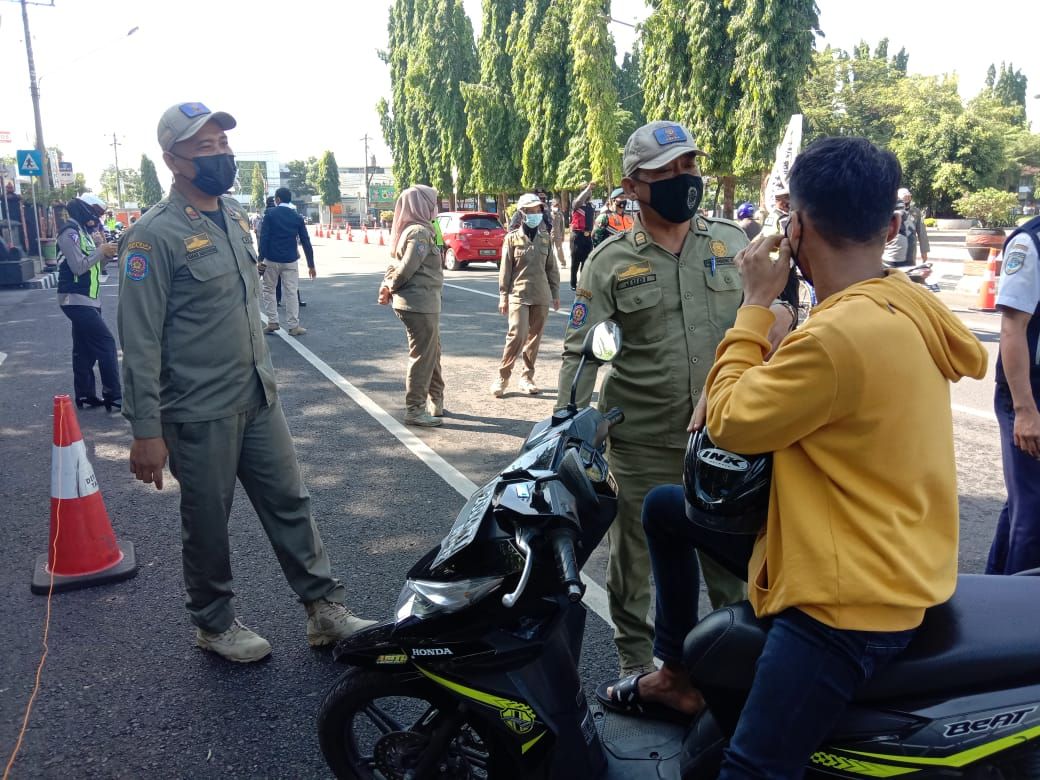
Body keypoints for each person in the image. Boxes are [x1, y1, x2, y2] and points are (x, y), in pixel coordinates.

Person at [603, 136, 986, 775]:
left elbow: (726, 424)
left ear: (796, 226)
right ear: (891, 226)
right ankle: (674, 672)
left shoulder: (838, 335)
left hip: (847, 597)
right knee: (668, 510)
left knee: (751, 770)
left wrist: (753, 310)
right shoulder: (905, 303)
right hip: (891, 547)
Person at [117, 102, 374, 663]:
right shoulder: (151, 237)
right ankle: (213, 622)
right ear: (174, 160)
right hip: (196, 409)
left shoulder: (233, 217)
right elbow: (139, 341)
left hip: (258, 396)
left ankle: (323, 609)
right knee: (207, 521)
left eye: (224, 146)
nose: (220, 156)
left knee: (290, 502)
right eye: (205, 148)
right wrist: (145, 430)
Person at [558, 120, 794, 678]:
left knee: (729, 561)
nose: (683, 178)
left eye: (688, 165)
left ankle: (731, 669)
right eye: (666, 171)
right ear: (634, 184)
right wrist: (566, 427)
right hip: (640, 439)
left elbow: (774, 318)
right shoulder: (609, 259)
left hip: (725, 436)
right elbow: (582, 351)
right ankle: (638, 665)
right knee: (633, 560)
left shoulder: (732, 244)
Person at [986, 215, 1040, 575]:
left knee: (1025, 502)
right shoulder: (1030, 243)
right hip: (1029, 392)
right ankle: (1023, 615)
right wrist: (1024, 410)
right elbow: (1012, 329)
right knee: (1034, 512)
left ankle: (995, 592)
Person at [377, 184, 445, 427]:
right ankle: (415, 409)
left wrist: (387, 286)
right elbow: (406, 267)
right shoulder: (419, 232)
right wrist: (390, 287)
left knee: (432, 351)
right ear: (422, 205)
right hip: (419, 304)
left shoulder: (414, 229)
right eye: (432, 202)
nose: (435, 207)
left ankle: (436, 399)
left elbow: (395, 263)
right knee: (423, 356)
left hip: (422, 302)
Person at [56, 193, 122, 411]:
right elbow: (78, 267)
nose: (97, 217)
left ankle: (85, 395)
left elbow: (97, 267)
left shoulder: (84, 233)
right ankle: (113, 395)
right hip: (74, 299)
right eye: (95, 212)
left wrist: (105, 252)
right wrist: (98, 251)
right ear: (85, 209)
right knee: (106, 343)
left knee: (84, 348)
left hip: (90, 299)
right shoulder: (70, 233)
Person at [492, 193, 560, 398]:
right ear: (522, 214)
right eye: (530, 211)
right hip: (518, 294)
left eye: (538, 211)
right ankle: (503, 376)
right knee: (518, 335)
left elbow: (552, 268)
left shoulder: (545, 238)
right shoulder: (511, 239)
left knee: (534, 338)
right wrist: (503, 295)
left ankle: (527, 377)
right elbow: (505, 269)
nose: (535, 214)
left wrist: (555, 293)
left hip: (541, 295)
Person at [260, 186, 313, 335]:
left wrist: (260, 259)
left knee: (268, 289)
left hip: (271, 259)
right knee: (291, 292)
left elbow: (264, 238)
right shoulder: (297, 216)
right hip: (290, 260)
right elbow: (305, 241)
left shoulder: (270, 214)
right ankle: (293, 326)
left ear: (277, 199)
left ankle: (272, 322)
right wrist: (311, 264)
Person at [569, 180, 596, 291]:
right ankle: (573, 283)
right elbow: (580, 200)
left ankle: (583, 283)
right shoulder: (576, 203)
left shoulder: (590, 205)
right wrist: (587, 188)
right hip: (577, 236)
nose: (589, 193)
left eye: (590, 191)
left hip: (587, 236)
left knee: (586, 262)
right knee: (575, 262)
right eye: (587, 190)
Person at [899, 187, 930, 264]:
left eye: (908, 197)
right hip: (895, 250)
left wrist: (924, 251)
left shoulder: (916, 212)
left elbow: (922, 232)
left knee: (909, 273)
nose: (907, 199)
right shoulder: (892, 212)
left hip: (911, 250)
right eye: (904, 197)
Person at [549, 198, 567, 268]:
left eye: (557, 206)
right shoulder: (549, 214)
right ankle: (549, 264)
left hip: (558, 235)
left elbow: (562, 227)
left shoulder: (560, 215)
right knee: (549, 250)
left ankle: (563, 263)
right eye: (554, 205)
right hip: (550, 235)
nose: (555, 207)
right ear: (551, 206)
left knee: (559, 249)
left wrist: (563, 236)